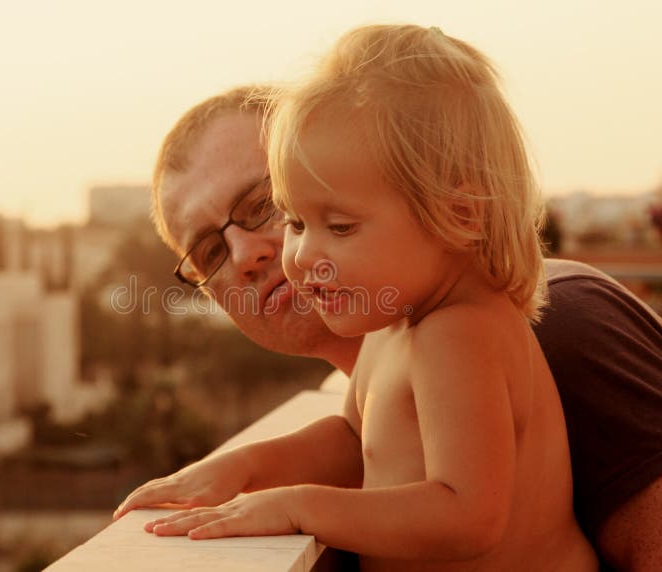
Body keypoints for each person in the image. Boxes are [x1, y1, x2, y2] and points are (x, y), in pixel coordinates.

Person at [113, 37, 662, 572]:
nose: (295, 254)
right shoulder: (397, 323)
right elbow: (353, 439)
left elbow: (467, 515)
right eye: (298, 221)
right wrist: (242, 466)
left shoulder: (464, 333)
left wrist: (298, 505)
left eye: (339, 225)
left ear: (459, 212)